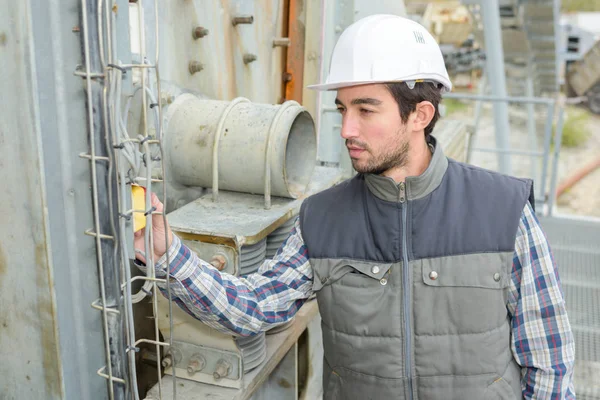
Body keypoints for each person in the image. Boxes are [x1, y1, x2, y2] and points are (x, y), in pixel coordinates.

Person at [135, 14, 575, 399]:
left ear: (419, 115)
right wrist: (166, 254)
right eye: (343, 108)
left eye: (366, 109)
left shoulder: (503, 209)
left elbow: (549, 361)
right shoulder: (322, 219)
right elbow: (252, 309)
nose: (347, 128)